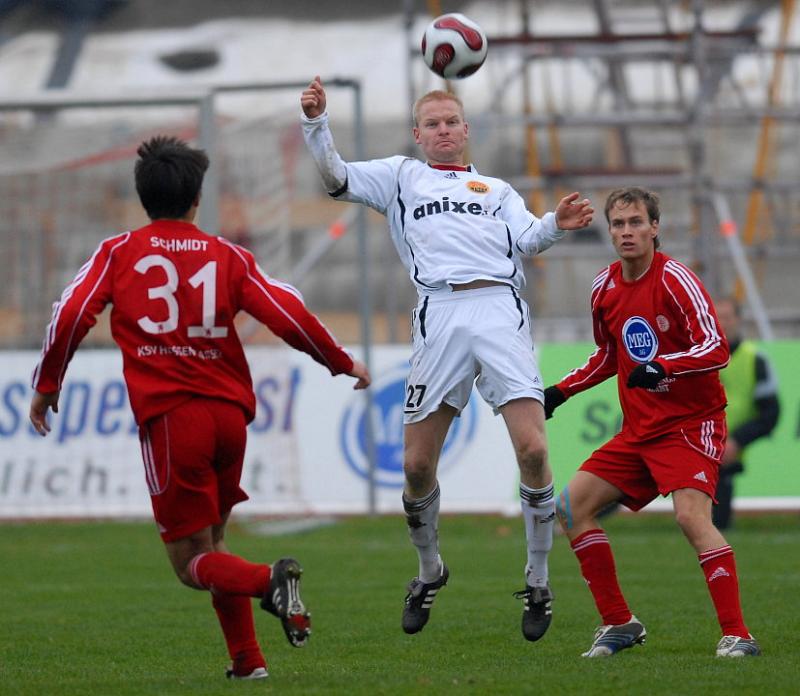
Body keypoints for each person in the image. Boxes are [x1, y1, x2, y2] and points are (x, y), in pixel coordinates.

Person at [29, 135, 371, 680]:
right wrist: (338, 360)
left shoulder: (119, 252)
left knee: (190, 564)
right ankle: (248, 663)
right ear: (197, 198)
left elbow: (70, 313)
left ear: (143, 197)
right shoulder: (228, 255)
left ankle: (270, 583)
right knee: (214, 544)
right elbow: (286, 309)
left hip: (172, 420)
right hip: (229, 418)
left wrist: (48, 384)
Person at [300, 76, 594, 641]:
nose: (442, 131)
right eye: (431, 124)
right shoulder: (400, 177)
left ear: (465, 130)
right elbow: (335, 177)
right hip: (439, 312)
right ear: (417, 134)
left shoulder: (497, 190)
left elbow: (529, 239)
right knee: (415, 467)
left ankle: (538, 580)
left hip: (498, 309)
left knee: (533, 449)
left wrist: (557, 223)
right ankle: (429, 570)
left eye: (450, 122)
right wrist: (316, 123)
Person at [544, 187, 761, 658]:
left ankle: (738, 635)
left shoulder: (677, 280)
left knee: (690, 517)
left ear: (655, 228)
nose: (627, 232)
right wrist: (561, 391)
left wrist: (665, 366)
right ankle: (619, 623)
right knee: (569, 509)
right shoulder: (604, 288)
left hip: (690, 423)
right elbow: (608, 355)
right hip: (638, 431)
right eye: (618, 224)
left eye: (636, 223)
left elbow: (716, 347)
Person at [713, 296, 780, 529]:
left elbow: (770, 413)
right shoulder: (693, 356)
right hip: (695, 441)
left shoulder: (755, 359)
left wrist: (737, 441)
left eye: (727, 317)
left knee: (715, 524)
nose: (722, 323)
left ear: (738, 320)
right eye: (716, 317)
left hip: (726, 448)